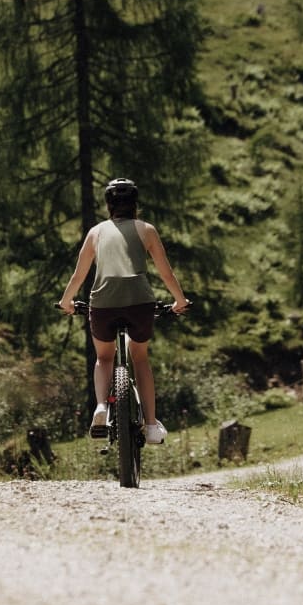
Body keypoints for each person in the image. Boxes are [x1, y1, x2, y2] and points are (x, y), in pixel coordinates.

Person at [57, 178, 188, 444]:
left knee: (104, 358)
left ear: (108, 205)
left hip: (103, 304)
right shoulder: (147, 229)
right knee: (139, 359)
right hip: (140, 303)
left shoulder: (96, 232)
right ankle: (151, 426)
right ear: (135, 205)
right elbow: (165, 271)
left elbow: (79, 274)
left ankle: (102, 408)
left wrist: (66, 302)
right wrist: (180, 301)